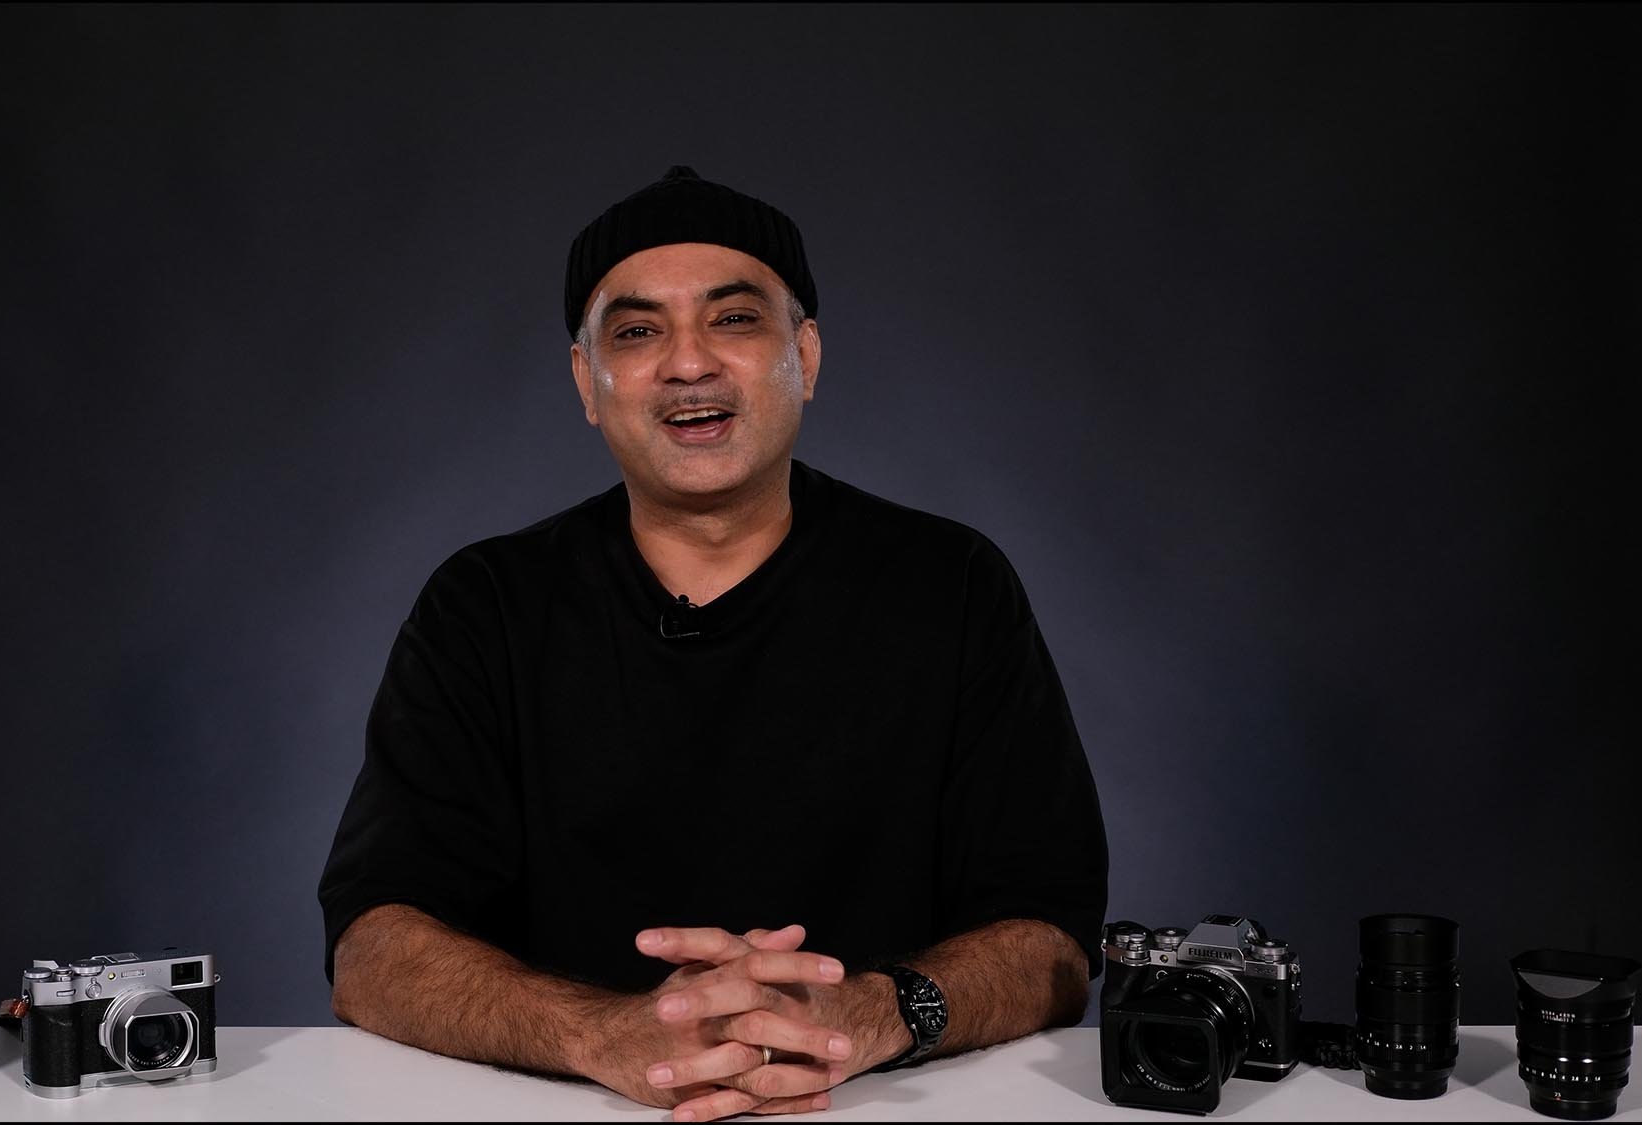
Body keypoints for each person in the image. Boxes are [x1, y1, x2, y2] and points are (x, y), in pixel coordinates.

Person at [318, 166, 1108, 1122]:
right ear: (587, 381)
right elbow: (372, 948)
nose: (688, 364)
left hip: (880, 1107)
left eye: (735, 320)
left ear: (805, 357)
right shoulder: (484, 604)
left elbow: (1054, 940)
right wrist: (602, 1033)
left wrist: (871, 1014)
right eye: (638, 331)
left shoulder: (952, 583)